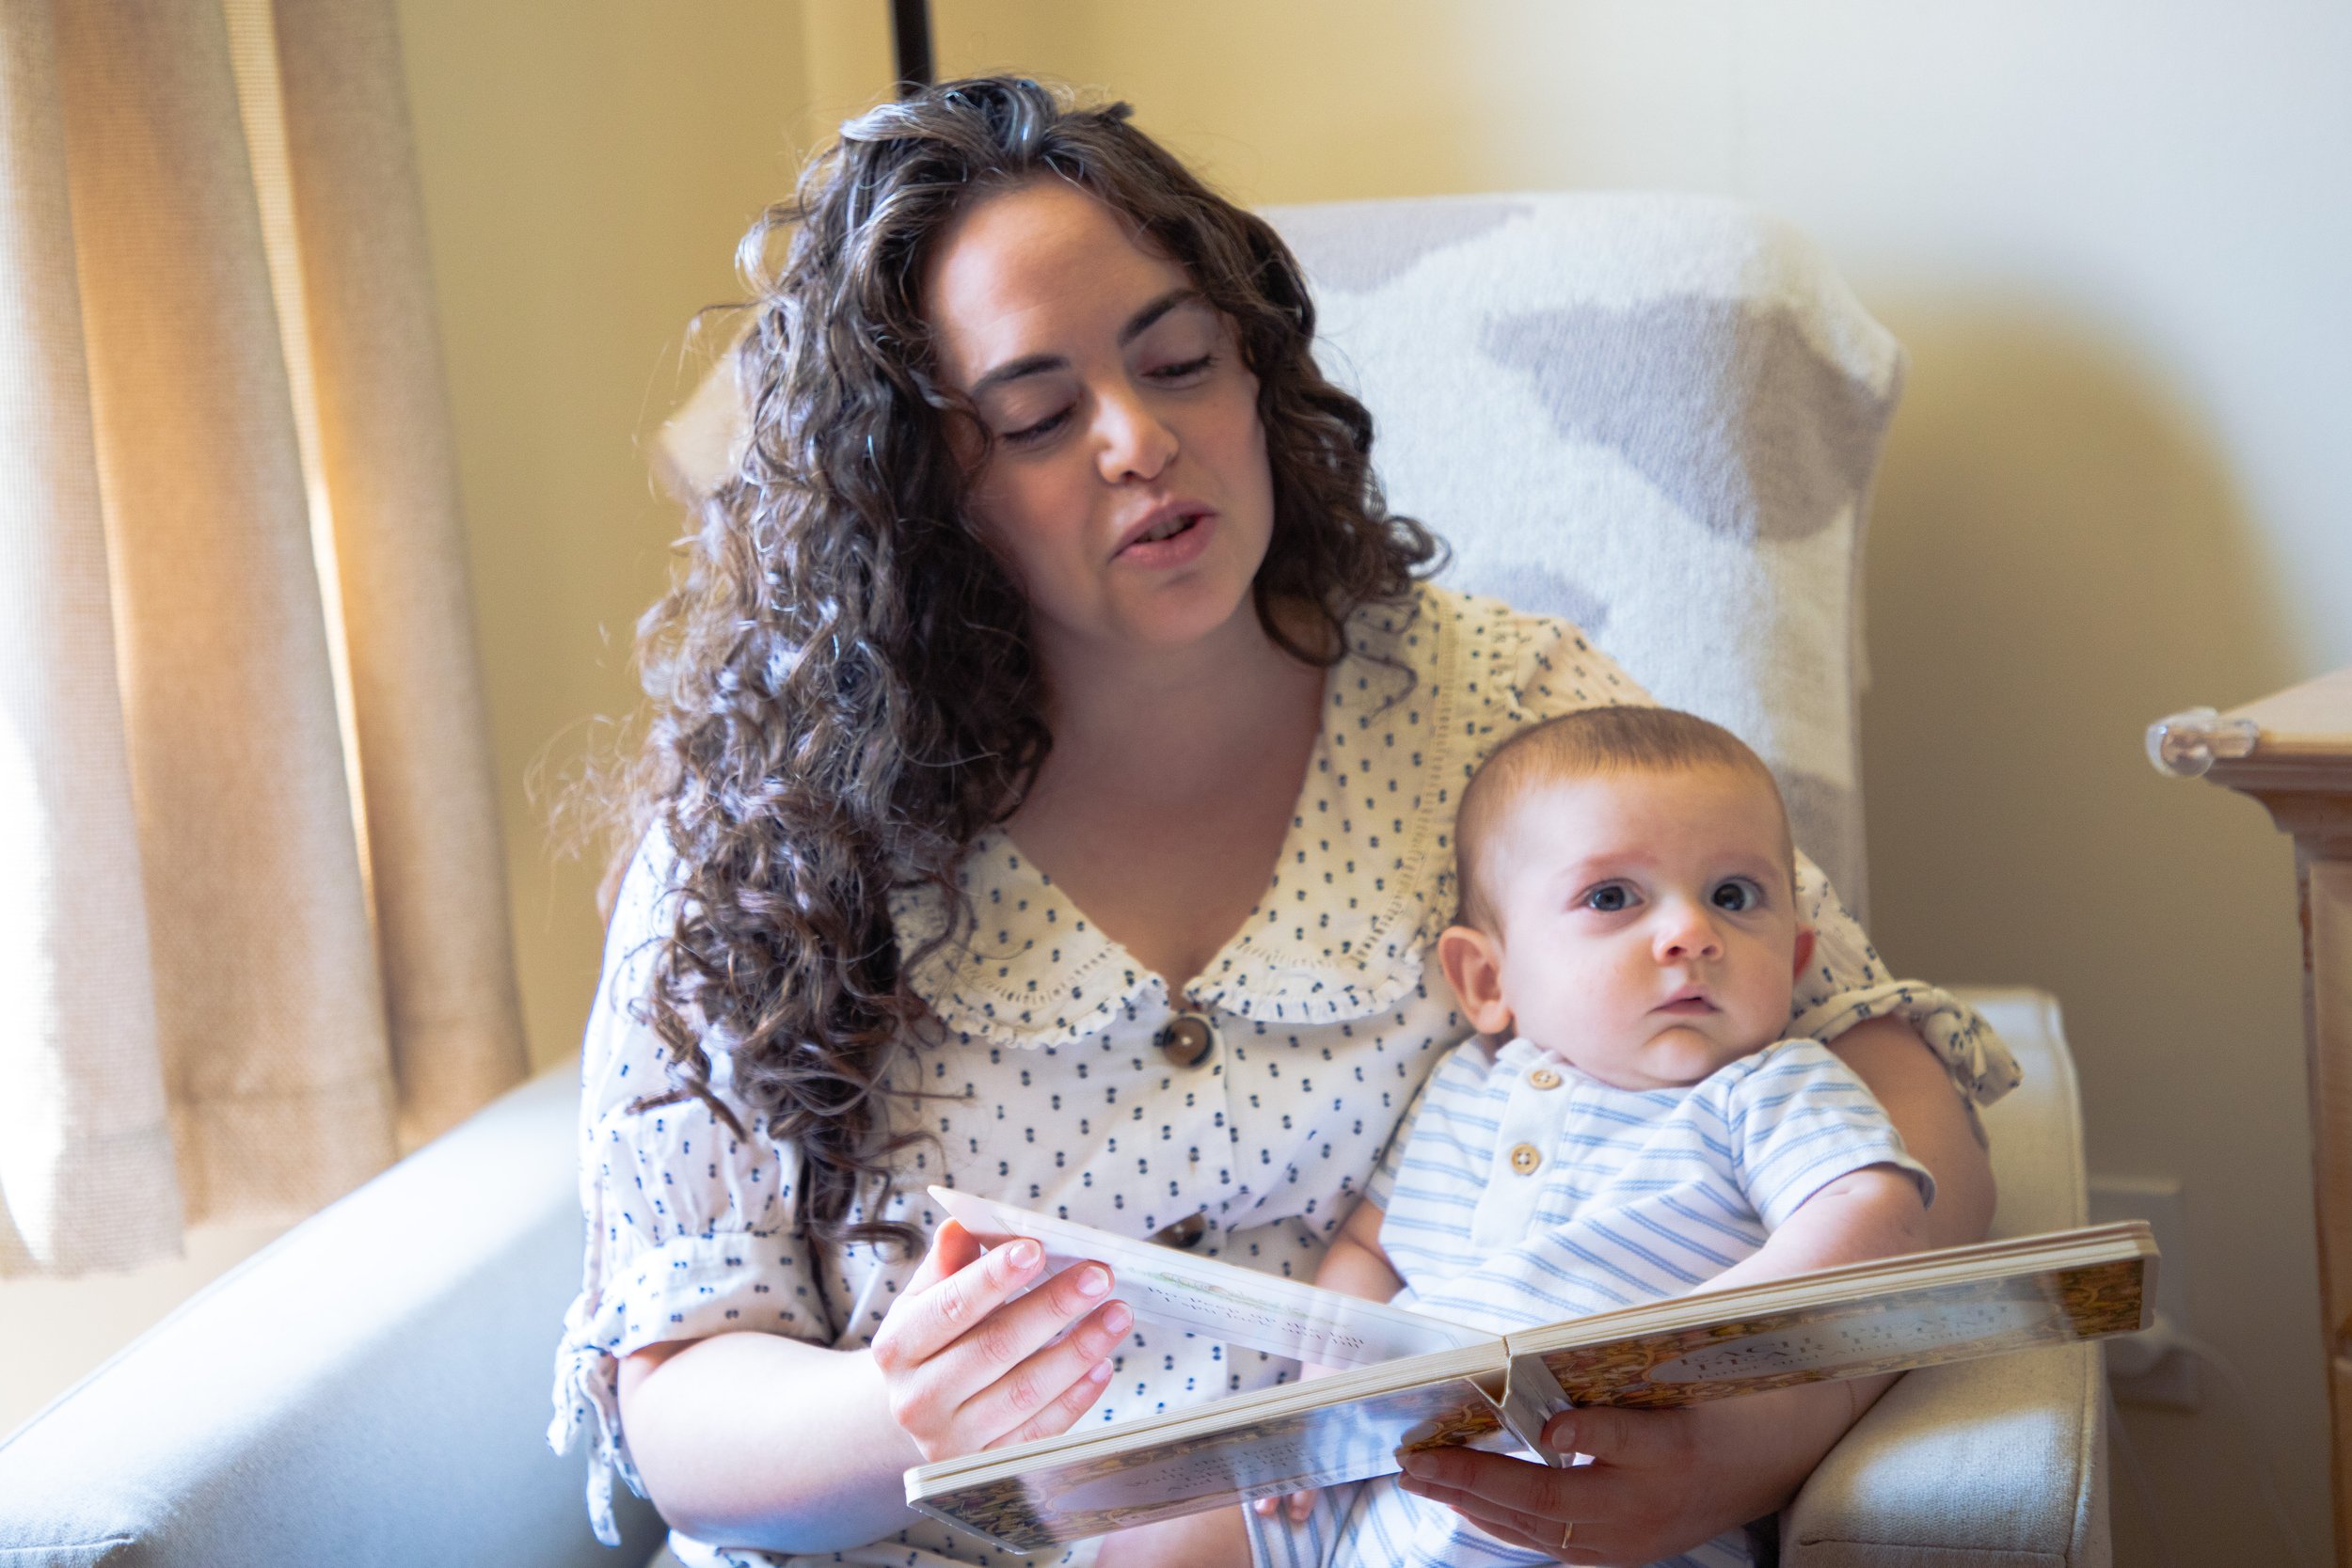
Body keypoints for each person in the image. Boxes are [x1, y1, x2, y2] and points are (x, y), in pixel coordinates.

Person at [548, 76, 2021, 1568]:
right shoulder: (767, 838)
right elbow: (686, 1399)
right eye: (1042, 416)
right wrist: (904, 1405)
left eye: (1181, 360)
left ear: (1257, 371)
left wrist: (1735, 1449)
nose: (1140, 439)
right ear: (922, 494)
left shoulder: (1505, 707)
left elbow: (1913, 1130)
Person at [1097, 705, 1937, 1568]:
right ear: (1488, 979)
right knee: (1162, 1540)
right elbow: (1370, 1244)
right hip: (1378, 1484)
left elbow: (1876, 1210)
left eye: (1734, 895)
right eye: (1612, 896)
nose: (1692, 931)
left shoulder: (1770, 1086)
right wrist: (1321, 1391)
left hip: (1593, 1499)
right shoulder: (1466, 1085)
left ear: (1794, 962)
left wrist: (1696, 1332)